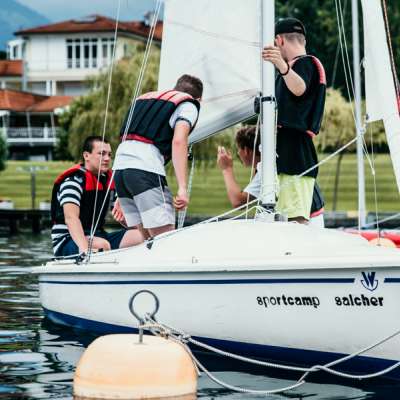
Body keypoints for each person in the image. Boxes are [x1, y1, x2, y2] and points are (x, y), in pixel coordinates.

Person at [113, 74, 203, 243]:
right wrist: (182, 188)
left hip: (120, 171)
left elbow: (130, 139)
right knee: (165, 242)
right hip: (145, 171)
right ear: (198, 99)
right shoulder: (189, 104)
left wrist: (120, 194)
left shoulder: (143, 99)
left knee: (149, 242)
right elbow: (179, 141)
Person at [262, 18, 326, 224]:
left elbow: (299, 88)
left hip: (296, 154)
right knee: (282, 218)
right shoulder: (288, 70)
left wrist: (282, 66)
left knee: (295, 220)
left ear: (279, 41)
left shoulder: (306, 63)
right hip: (285, 153)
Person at [50, 136, 141, 257]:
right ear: (86, 155)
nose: (107, 158)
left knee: (141, 235)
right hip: (68, 240)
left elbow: (124, 215)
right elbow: (71, 218)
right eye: (102, 154)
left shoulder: (108, 183)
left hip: (98, 236)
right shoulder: (73, 182)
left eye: (109, 154)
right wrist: (85, 250)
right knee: (102, 245)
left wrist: (132, 223)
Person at [217, 126, 325, 228]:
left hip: (306, 222)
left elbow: (238, 201)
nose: (238, 153)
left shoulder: (267, 169)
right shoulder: (274, 161)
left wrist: (227, 169)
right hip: (312, 217)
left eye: (238, 150)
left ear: (246, 151)